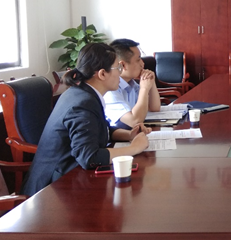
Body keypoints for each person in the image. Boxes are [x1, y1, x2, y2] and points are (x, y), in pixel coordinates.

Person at [21, 43, 150, 196]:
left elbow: (97, 129)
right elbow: (89, 157)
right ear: (102, 74)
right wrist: (134, 148)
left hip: (70, 178)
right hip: (52, 190)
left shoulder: (83, 93)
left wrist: (128, 135)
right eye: (118, 68)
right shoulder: (83, 103)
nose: (120, 73)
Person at [104, 38, 161, 129]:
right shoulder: (110, 90)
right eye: (138, 60)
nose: (142, 64)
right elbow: (134, 121)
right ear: (122, 65)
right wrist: (144, 89)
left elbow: (154, 108)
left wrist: (151, 81)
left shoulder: (131, 84)